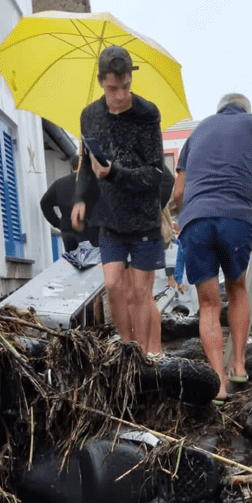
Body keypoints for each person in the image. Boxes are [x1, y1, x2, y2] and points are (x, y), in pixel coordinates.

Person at [173, 92, 252, 402]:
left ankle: (218, 385)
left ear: (219, 109)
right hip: (236, 219)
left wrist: (186, 215)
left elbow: (178, 190)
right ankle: (238, 365)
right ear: (246, 109)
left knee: (208, 303)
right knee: (236, 289)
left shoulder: (196, 133)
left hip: (196, 220)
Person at [71, 45, 166, 355]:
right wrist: (80, 198)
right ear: (102, 82)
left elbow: (154, 174)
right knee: (113, 286)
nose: (121, 95)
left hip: (144, 217)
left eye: (126, 87)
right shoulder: (89, 115)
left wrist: (114, 174)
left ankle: (143, 353)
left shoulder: (147, 114)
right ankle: (127, 351)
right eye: (114, 88)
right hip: (110, 218)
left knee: (140, 292)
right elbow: (86, 161)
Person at [39, 155, 99, 252]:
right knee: (92, 264)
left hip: (69, 232)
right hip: (90, 232)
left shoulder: (59, 184)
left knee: (74, 263)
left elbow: (44, 203)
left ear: (71, 167)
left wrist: (58, 223)